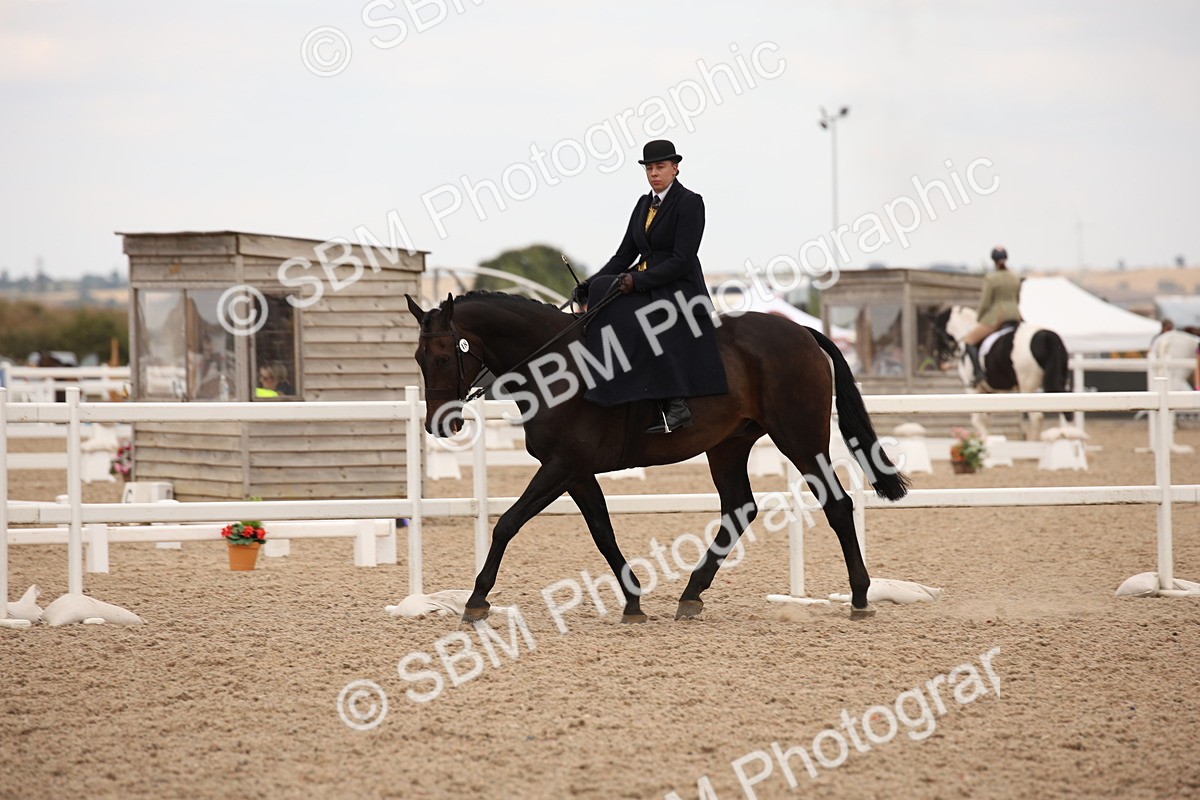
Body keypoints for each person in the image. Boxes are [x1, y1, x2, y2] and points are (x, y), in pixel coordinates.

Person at [572, 139, 727, 433]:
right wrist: (588, 285)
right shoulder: (643, 204)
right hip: (646, 284)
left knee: (637, 320)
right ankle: (609, 386)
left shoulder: (690, 202)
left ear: (675, 168)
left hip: (679, 287)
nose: (654, 173)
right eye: (649, 168)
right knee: (601, 290)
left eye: (660, 167)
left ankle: (676, 404)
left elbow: (682, 259)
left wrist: (637, 280)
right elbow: (623, 256)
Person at [963, 246, 1023, 387]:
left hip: (998, 317)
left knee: (969, 340)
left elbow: (985, 303)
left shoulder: (991, 278)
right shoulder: (1015, 277)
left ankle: (978, 373)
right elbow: (1017, 299)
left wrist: (979, 318)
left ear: (993, 260)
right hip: (1015, 315)